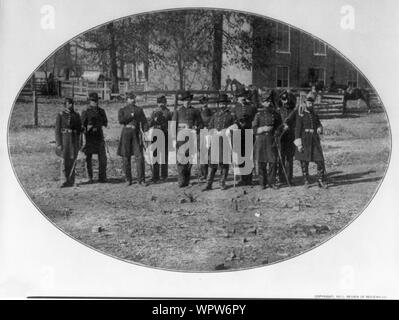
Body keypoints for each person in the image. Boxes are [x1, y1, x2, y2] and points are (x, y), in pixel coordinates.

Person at [203, 93, 236, 191]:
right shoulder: (215, 115)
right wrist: (213, 132)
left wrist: (227, 130)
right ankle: (208, 184)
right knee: (212, 163)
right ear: (218, 104)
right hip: (215, 141)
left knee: (224, 163)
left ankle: (222, 182)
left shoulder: (231, 115)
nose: (222, 105)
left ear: (227, 104)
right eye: (221, 103)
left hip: (225, 141)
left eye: (224, 103)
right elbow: (209, 127)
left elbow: (236, 126)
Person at [294, 96, 328, 188]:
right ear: (305, 104)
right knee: (304, 161)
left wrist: (320, 128)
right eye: (309, 103)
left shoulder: (315, 115)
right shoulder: (301, 115)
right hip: (305, 140)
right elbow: (297, 130)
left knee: (320, 160)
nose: (311, 105)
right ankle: (306, 180)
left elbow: (319, 124)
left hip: (314, 140)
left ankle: (320, 180)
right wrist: (299, 144)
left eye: (312, 103)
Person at [172, 91, 203, 188]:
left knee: (190, 159)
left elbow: (201, 124)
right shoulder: (177, 111)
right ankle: (181, 180)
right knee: (181, 159)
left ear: (191, 100)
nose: (187, 102)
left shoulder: (195, 111)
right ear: (182, 101)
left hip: (191, 137)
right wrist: (173, 139)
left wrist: (196, 128)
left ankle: (187, 179)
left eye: (188, 100)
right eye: (185, 100)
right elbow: (173, 125)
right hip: (180, 138)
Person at [117, 92, 149, 186]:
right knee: (126, 157)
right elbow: (121, 120)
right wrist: (130, 115)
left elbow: (144, 121)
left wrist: (146, 131)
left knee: (139, 157)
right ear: (127, 100)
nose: (133, 100)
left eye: (133, 98)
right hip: (126, 134)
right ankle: (128, 179)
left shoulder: (139, 110)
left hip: (136, 134)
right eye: (130, 98)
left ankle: (141, 180)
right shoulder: (122, 110)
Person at [252, 95, 282, 189]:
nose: (268, 103)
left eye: (269, 101)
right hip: (261, 140)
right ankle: (262, 183)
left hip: (271, 140)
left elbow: (279, 127)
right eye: (266, 101)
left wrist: (277, 132)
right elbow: (254, 128)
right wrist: (262, 129)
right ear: (262, 103)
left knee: (273, 161)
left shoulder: (275, 114)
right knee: (261, 162)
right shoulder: (258, 115)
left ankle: (271, 182)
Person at [231, 88, 257, 186]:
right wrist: (237, 123)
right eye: (240, 96)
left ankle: (249, 178)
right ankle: (241, 178)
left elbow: (255, 120)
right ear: (237, 98)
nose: (242, 98)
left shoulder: (251, 107)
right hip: (238, 134)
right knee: (240, 156)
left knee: (248, 156)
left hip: (248, 133)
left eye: (244, 96)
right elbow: (232, 120)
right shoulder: (234, 108)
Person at [81, 92, 108, 183]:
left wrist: (100, 124)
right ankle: (90, 177)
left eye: (96, 100)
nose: (95, 102)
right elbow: (82, 126)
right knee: (88, 157)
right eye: (93, 100)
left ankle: (102, 177)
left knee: (103, 157)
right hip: (90, 137)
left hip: (99, 136)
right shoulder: (86, 111)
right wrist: (87, 127)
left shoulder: (101, 111)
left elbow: (105, 122)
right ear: (90, 101)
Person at [55, 97, 82, 187]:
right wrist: (59, 143)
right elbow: (57, 130)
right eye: (68, 103)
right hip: (64, 140)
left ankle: (71, 180)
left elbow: (79, 129)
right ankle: (63, 180)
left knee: (72, 160)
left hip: (73, 140)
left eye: (71, 103)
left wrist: (81, 132)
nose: (70, 105)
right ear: (65, 105)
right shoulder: (60, 115)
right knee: (64, 160)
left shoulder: (76, 115)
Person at [148, 94, 172, 182]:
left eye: (163, 102)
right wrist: (153, 120)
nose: (161, 105)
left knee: (164, 156)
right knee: (155, 155)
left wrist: (171, 137)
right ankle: (155, 176)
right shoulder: (154, 112)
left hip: (165, 134)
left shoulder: (169, 113)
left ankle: (164, 176)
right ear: (157, 103)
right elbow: (149, 124)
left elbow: (171, 125)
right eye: (159, 103)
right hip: (155, 134)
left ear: (165, 103)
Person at [276, 90, 297, 186]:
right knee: (281, 158)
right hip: (281, 137)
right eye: (284, 99)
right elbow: (275, 124)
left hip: (290, 137)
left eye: (287, 99)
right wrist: (281, 128)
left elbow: (297, 124)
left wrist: (290, 127)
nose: (286, 101)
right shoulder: (278, 111)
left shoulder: (294, 111)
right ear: (281, 100)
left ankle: (289, 178)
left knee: (290, 158)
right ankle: (281, 178)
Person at [198, 95, 213, 181]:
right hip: (201, 133)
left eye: (206, 102)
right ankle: (203, 174)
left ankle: (209, 174)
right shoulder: (198, 112)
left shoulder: (211, 112)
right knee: (202, 153)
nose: (204, 104)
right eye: (202, 102)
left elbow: (212, 121)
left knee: (209, 154)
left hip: (209, 133)